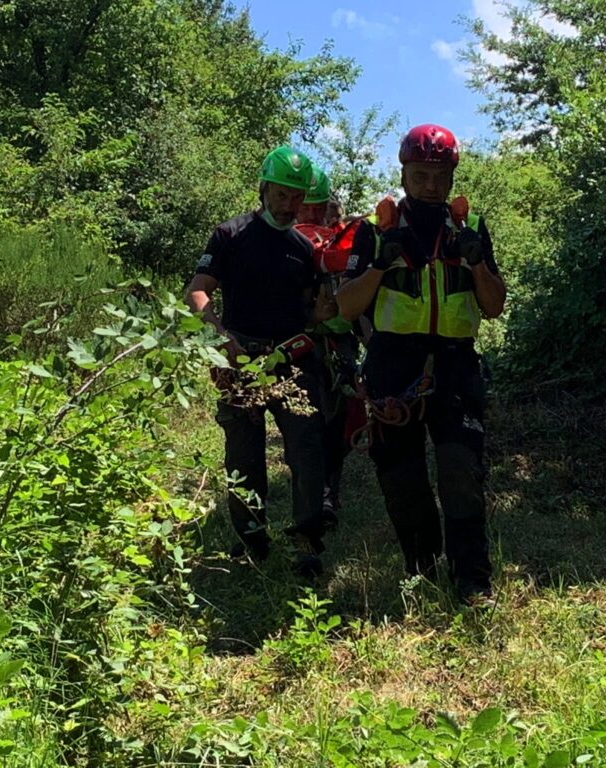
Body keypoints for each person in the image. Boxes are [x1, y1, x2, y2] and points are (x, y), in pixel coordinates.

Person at [336, 124, 507, 600]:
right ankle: (423, 571)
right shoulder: (375, 232)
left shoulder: (470, 229)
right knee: (401, 477)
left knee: (461, 471)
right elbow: (344, 308)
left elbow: (494, 306)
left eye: (439, 176)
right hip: (393, 363)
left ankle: (472, 580)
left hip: (456, 365)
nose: (430, 185)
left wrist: (477, 265)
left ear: (452, 176)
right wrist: (378, 266)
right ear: (403, 172)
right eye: (420, 175)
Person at [185, 146, 335, 576]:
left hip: (291, 358)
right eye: (282, 194)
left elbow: (309, 310)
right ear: (264, 188)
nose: (289, 205)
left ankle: (308, 540)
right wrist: (219, 336)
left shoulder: (304, 249)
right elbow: (197, 292)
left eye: (296, 197)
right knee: (243, 455)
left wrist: (321, 315)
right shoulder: (230, 235)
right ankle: (252, 541)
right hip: (240, 359)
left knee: (306, 450)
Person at [295, 166, 368, 528]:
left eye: (316, 207)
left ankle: (328, 490)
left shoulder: (343, 238)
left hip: (339, 339)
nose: (310, 214)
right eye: (304, 207)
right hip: (296, 339)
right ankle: (310, 495)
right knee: (305, 421)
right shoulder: (282, 241)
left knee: (339, 416)